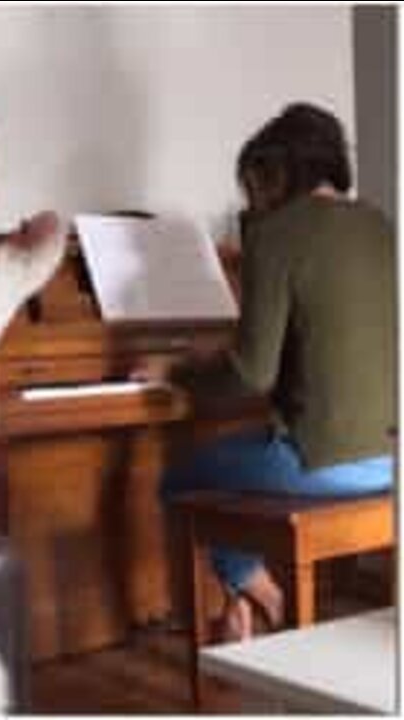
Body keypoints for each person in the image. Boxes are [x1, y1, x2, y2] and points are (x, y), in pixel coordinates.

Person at [138, 103, 397, 642]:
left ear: (279, 173)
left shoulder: (277, 235)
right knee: (236, 459)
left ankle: (254, 588)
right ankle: (242, 601)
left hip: (326, 465)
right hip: (391, 460)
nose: (251, 204)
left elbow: (251, 374)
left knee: (177, 475)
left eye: (254, 187)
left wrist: (177, 371)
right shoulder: (382, 227)